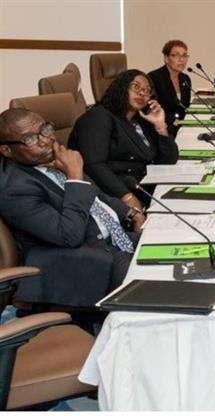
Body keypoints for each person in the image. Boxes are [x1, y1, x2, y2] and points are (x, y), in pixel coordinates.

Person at [0, 108, 144, 307]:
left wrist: (131, 213)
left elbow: (97, 197)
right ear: (7, 150)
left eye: (45, 130)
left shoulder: (49, 159)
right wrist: (75, 177)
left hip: (115, 239)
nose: (45, 141)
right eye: (30, 139)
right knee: (160, 287)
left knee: (175, 244)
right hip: (84, 265)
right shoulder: (15, 188)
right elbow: (69, 236)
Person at [68, 69, 179, 211]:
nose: (142, 93)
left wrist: (160, 126)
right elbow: (94, 165)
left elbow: (168, 161)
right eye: (136, 87)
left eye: (147, 90)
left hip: (146, 188)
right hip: (116, 196)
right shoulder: (98, 117)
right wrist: (127, 197)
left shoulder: (139, 120)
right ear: (122, 87)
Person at [148, 40, 192, 137]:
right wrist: (175, 124)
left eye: (184, 55)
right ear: (166, 58)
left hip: (180, 127)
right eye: (176, 55)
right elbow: (151, 110)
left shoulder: (185, 79)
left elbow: (185, 108)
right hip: (162, 131)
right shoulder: (154, 78)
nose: (181, 60)